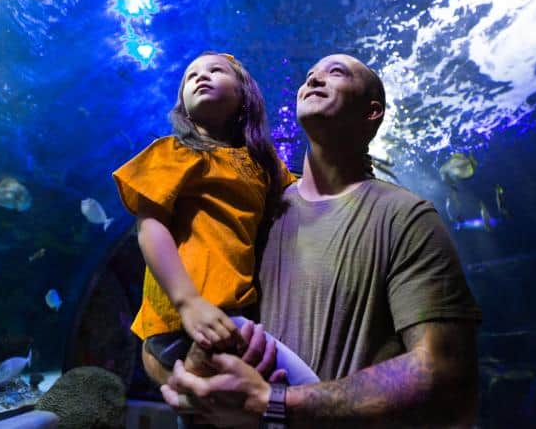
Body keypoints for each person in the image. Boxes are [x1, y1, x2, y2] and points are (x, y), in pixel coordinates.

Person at [160, 53, 483, 428]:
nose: (313, 80)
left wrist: (275, 402)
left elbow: (447, 379)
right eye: (309, 75)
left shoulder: (406, 218)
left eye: (336, 73)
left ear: (372, 112)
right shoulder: (256, 213)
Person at [112, 52, 318, 387]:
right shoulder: (172, 153)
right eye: (191, 76)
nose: (201, 76)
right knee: (304, 387)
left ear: (244, 94)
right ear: (182, 105)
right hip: (187, 318)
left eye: (216, 70)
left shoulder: (263, 165)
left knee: (217, 410)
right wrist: (188, 301)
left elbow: (305, 194)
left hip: (232, 314)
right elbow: (150, 227)